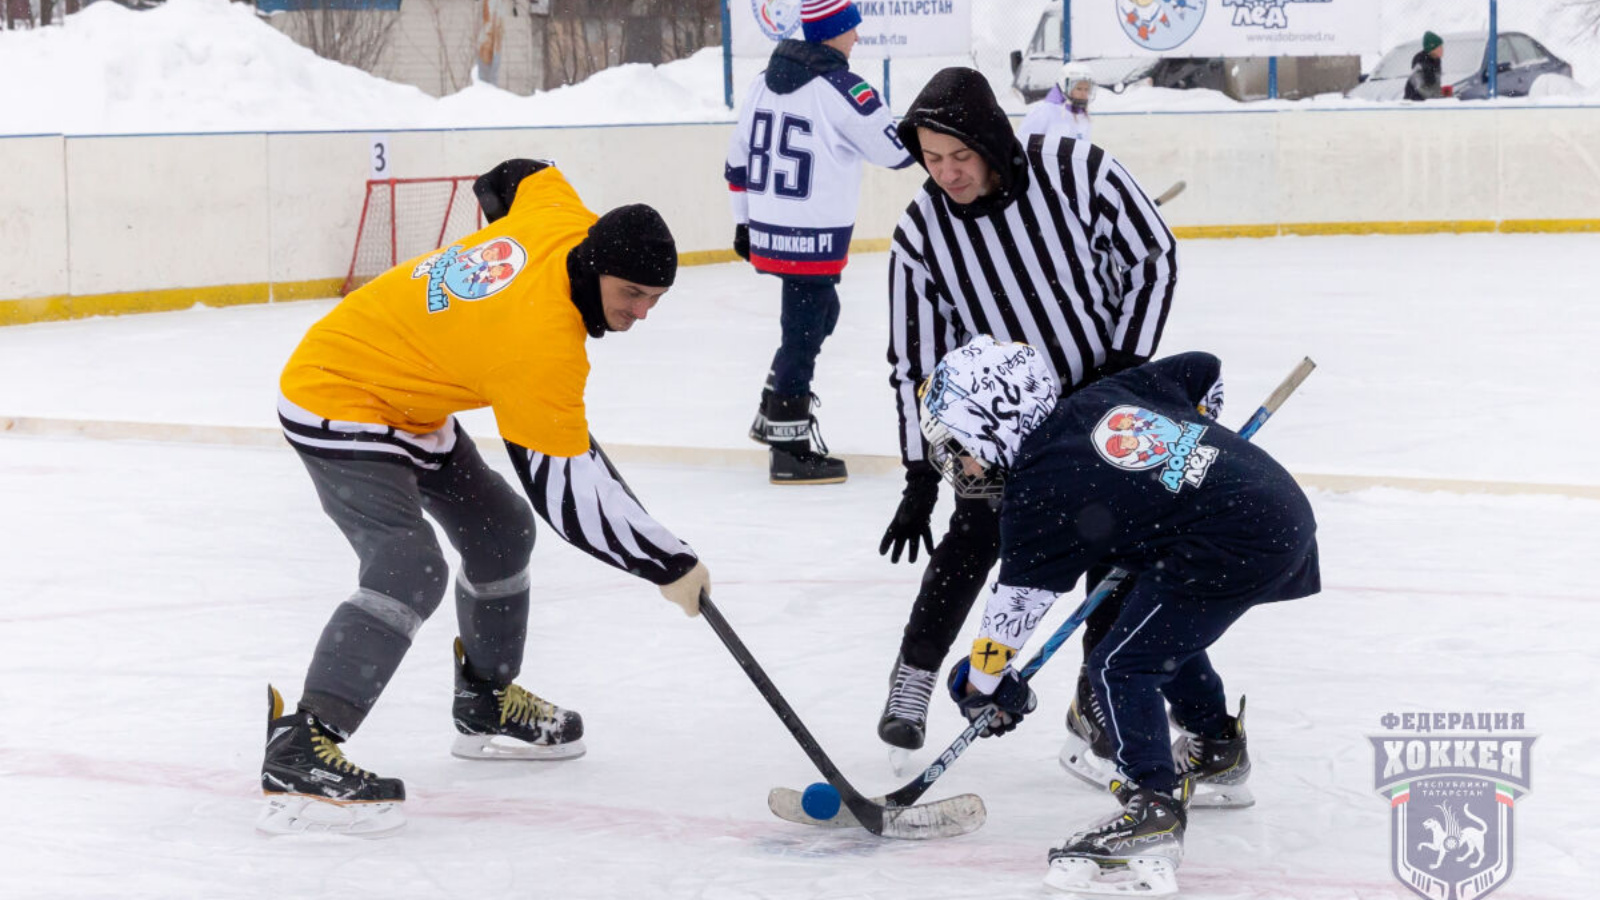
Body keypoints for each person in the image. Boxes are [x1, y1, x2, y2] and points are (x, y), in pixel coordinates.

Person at [260, 159, 713, 836]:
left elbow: (519, 175)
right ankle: (301, 742)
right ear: (592, 270)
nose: (641, 313)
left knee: (502, 531)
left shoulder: (560, 216)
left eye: (655, 298)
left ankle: (485, 701)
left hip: (413, 391)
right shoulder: (540, 349)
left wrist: (497, 246)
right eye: (632, 294)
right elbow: (570, 500)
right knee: (409, 566)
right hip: (337, 393)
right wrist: (669, 562)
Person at [922, 336, 1320, 895]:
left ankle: (1151, 807)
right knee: (1147, 632)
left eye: (958, 445)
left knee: (1118, 665)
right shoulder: (1103, 397)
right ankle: (1217, 750)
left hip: (1233, 541)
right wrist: (1195, 445)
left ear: (991, 424)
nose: (959, 463)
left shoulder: (1039, 492)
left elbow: (1014, 610)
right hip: (1273, 508)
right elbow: (1202, 370)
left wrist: (983, 685)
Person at [876, 66, 1177, 752]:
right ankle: (915, 673)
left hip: (1100, 396)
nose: (945, 174)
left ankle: (1097, 695)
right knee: (977, 532)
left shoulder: (1073, 169)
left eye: (959, 156)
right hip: (1006, 419)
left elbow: (1152, 257)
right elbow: (914, 357)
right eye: (929, 159)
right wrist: (920, 474)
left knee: (1113, 538)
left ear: (991, 141)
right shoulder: (922, 234)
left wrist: (1123, 369)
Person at [725, 0, 914, 485]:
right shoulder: (841, 88)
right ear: (833, 32)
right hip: (814, 233)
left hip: (771, 227)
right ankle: (788, 447)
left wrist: (744, 223)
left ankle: (774, 408)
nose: (858, 35)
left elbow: (737, 160)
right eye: (851, 26)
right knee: (804, 333)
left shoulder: (761, 83)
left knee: (817, 318)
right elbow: (895, 152)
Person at [1018, 62, 1095, 145]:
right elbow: (1023, 141)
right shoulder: (1044, 110)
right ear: (1064, 86)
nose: (1083, 94)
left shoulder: (1084, 117)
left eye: (1086, 89)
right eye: (1079, 89)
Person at [1405, 31, 1445, 100]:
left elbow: (1435, 86)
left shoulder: (1436, 61)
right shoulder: (1421, 62)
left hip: (1428, 101)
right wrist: (1438, 97)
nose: (1442, 49)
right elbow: (1421, 89)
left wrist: (1443, 94)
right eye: (1439, 47)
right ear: (1432, 49)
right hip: (1415, 103)